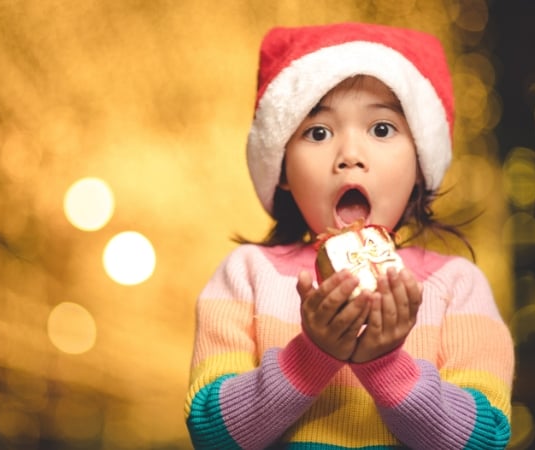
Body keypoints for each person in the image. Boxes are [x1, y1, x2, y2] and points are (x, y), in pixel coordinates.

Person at [184, 22, 514, 449]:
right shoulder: (246, 275)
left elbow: (484, 440)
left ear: (420, 162)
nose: (350, 156)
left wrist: (385, 364)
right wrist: (311, 356)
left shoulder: (456, 286)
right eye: (318, 133)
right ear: (283, 168)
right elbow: (211, 434)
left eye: (381, 129)